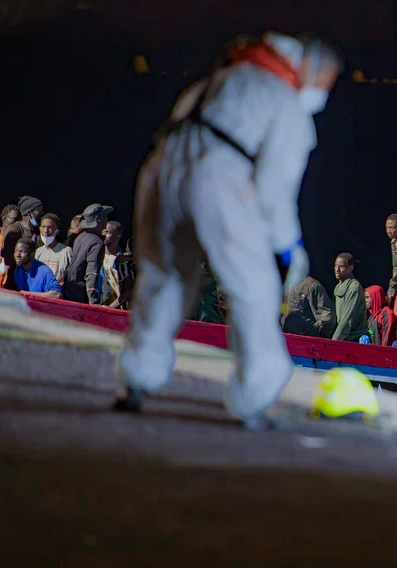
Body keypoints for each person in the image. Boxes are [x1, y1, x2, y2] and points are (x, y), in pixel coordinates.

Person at [114, 32, 343, 426]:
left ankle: (138, 375)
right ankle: (255, 396)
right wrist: (288, 246)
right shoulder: (285, 104)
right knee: (254, 288)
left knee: (164, 276)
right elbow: (275, 188)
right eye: (326, 83)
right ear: (308, 69)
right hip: (220, 176)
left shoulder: (217, 79)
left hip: (161, 166)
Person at [63, 204, 110, 305]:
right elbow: (91, 273)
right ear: (100, 221)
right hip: (81, 294)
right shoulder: (96, 242)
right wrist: (93, 302)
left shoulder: (80, 237)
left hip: (70, 287)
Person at [332, 253, 367, 342]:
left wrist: (334, 341)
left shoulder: (354, 287)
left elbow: (347, 319)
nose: (337, 270)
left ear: (350, 268)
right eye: (335, 266)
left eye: (341, 267)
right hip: (342, 337)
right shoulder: (338, 287)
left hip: (352, 339)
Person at [35, 213, 73, 284]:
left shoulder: (66, 251)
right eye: (43, 227)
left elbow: (71, 276)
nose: (46, 230)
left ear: (56, 231)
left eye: (50, 227)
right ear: (40, 229)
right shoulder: (38, 252)